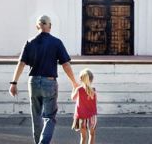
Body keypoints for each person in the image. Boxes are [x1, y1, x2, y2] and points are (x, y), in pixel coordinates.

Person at [9, 15, 78, 144]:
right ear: (50, 26)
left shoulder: (30, 42)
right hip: (49, 82)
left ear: (37, 26)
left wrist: (14, 83)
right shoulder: (56, 42)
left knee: (36, 117)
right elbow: (66, 64)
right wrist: (74, 82)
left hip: (33, 82)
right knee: (49, 117)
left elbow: (21, 63)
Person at [71, 68, 98, 144]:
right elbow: (96, 102)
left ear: (81, 79)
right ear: (91, 79)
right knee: (92, 135)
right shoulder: (94, 90)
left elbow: (73, 98)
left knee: (83, 137)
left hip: (81, 117)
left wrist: (74, 88)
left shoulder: (79, 90)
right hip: (92, 116)